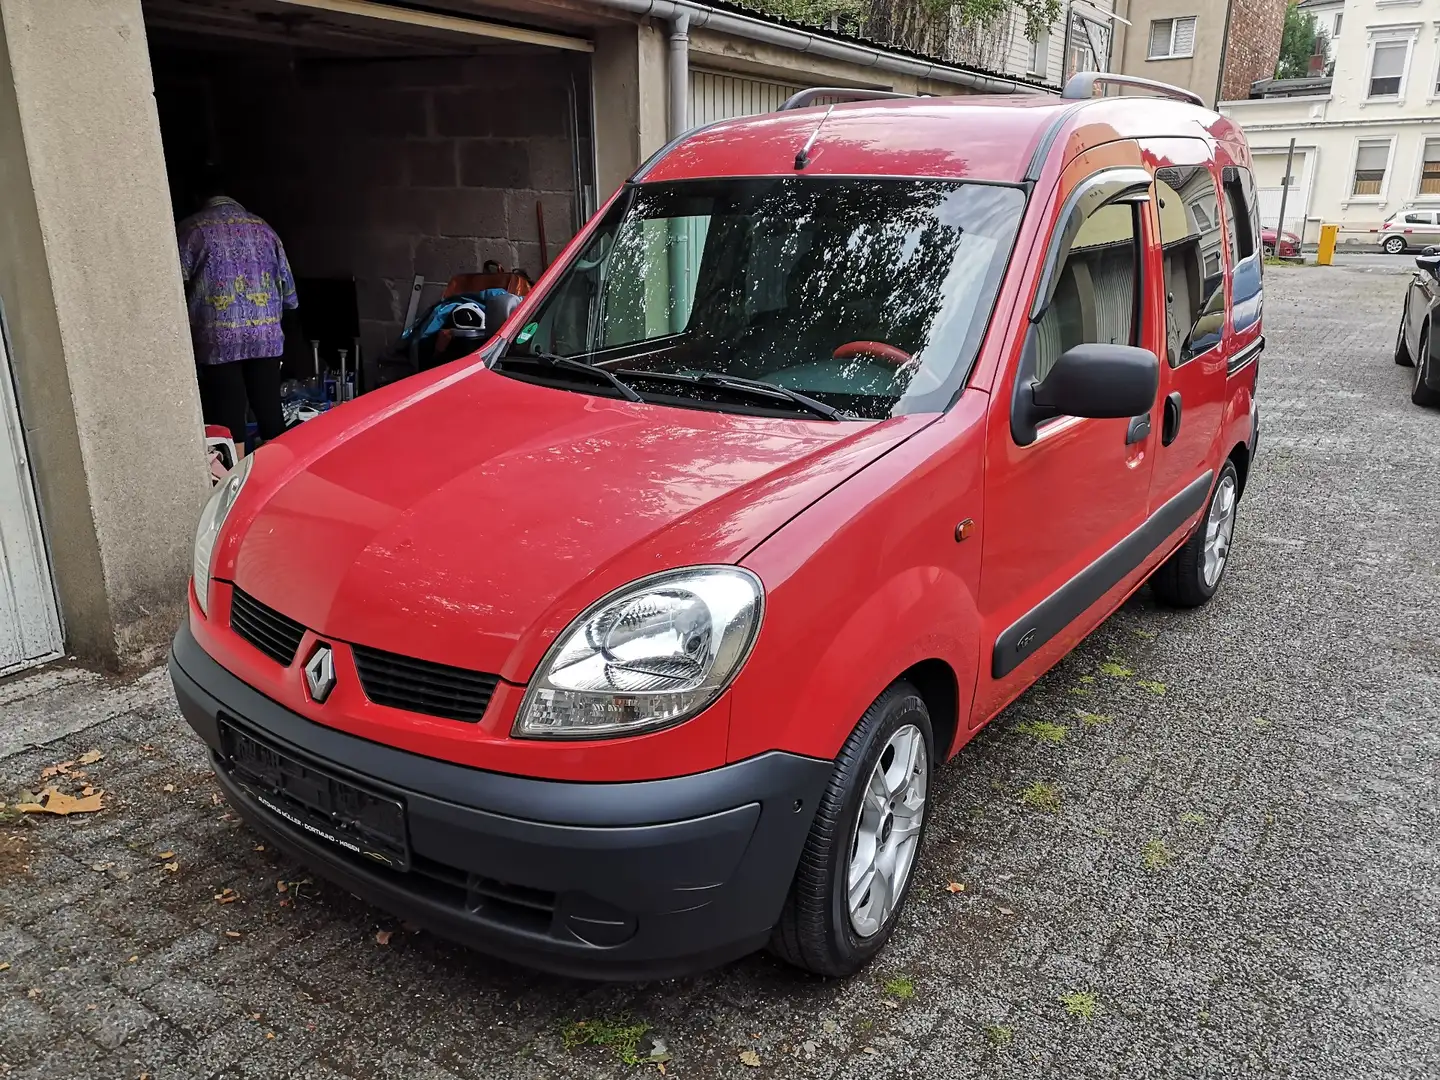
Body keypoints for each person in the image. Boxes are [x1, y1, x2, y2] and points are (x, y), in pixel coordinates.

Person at [177, 168, 297, 454]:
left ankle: (238, 485)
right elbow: (289, 294)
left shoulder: (191, 230)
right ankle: (275, 480)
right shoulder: (264, 228)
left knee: (229, 417)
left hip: (219, 338)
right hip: (265, 334)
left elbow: (175, 286)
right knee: (269, 412)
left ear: (198, 197)